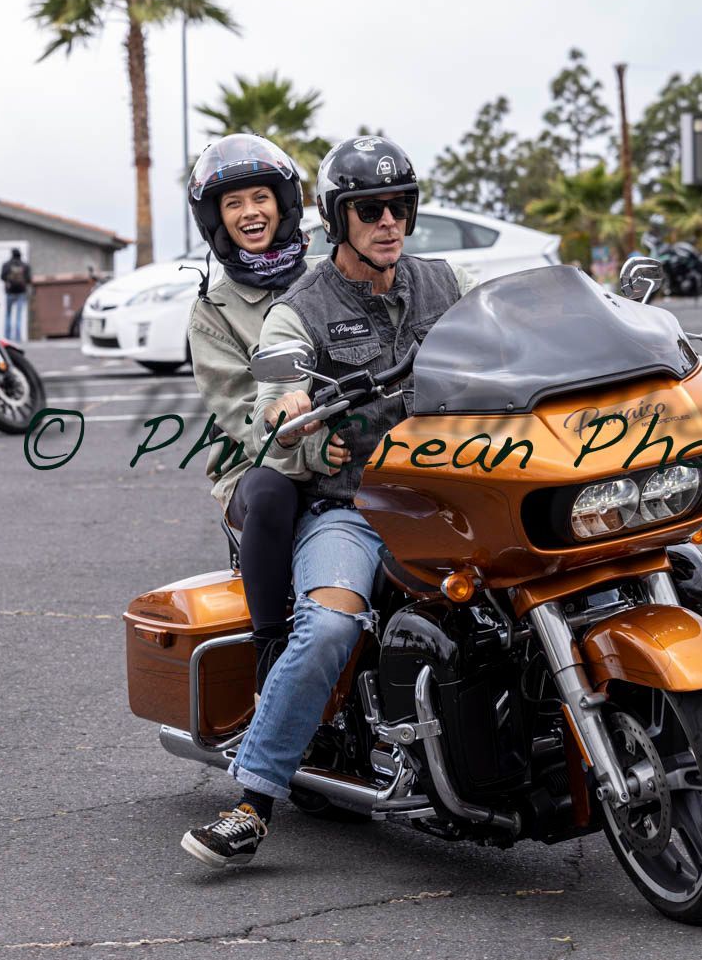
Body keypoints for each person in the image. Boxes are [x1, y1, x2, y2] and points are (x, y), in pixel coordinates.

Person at [181, 135, 477, 869]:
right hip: (351, 502)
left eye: (399, 206)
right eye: (369, 209)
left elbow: (523, 333)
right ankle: (253, 798)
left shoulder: (450, 280)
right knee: (328, 625)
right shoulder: (297, 310)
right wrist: (299, 425)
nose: (388, 222)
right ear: (337, 217)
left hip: (457, 491)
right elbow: (262, 408)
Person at [184, 133, 324, 715]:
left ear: (284, 203)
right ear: (216, 219)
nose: (250, 213)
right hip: (260, 464)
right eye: (233, 203)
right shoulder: (213, 312)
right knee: (271, 492)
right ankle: (271, 653)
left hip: (359, 443)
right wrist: (312, 450)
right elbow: (246, 413)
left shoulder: (330, 275)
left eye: (260, 197)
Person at [1, 248, 33, 342]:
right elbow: (29, 279)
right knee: (19, 315)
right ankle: (18, 337)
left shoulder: (6, 265)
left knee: (8, 315)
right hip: (21, 292)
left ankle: (7, 337)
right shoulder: (25, 265)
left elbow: (2, 277)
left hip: (10, 292)